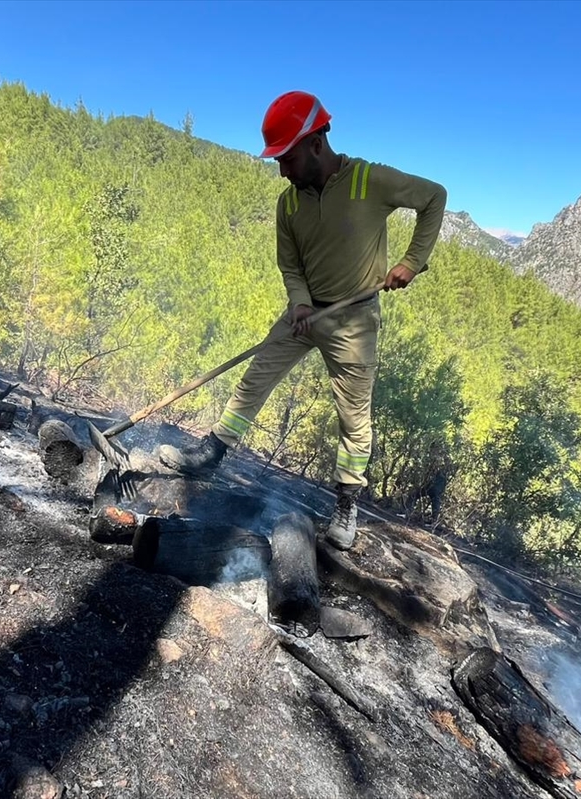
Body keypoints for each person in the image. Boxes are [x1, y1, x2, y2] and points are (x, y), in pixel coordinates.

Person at [158, 90, 446, 550]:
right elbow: (290, 266)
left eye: (287, 159)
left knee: (354, 418)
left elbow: (434, 197)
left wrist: (411, 262)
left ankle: (346, 503)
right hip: (306, 313)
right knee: (255, 379)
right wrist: (299, 304)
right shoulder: (288, 205)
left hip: (354, 320)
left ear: (315, 144)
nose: (282, 171)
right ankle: (211, 454)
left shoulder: (369, 181)